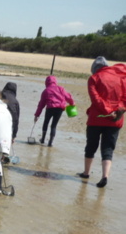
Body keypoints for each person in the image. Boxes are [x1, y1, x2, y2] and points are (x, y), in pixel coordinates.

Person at [77, 56, 126, 188]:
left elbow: (95, 99)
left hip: (96, 118)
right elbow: (124, 98)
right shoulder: (120, 77)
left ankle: (86, 173)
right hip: (115, 119)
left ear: (94, 69)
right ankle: (105, 176)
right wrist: (118, 110)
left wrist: (107, 111)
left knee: (91, 146)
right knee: (108, 148)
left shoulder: (94, 78)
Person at [33, 76, 75, 146]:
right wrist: (72, 103)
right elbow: (68, 97)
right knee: (54, 125)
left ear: (46, 82)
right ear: (55, 81)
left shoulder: (46, 91)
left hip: (50, 108)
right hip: (60, 109)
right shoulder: (61, 88)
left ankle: (43, 139)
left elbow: (41, 104)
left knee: (46, 122)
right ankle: (50, 142)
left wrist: (37, 115)